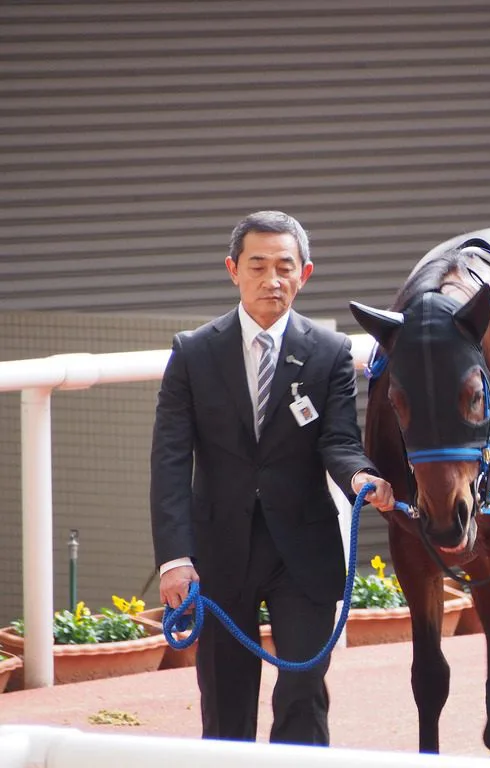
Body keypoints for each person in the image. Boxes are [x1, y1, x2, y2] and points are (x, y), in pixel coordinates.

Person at [150, 210, 394, 745]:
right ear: (233, 270)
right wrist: (174, 558)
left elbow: (339, 443)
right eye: (257, 265)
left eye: (285, 266)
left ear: (305, 274)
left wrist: (361, 479)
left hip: (302, 550)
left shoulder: (330, 354)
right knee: (226, 700)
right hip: (218, 552)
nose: (272, 279)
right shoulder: (193, 352)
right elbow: (169, 461)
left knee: (303, 694)